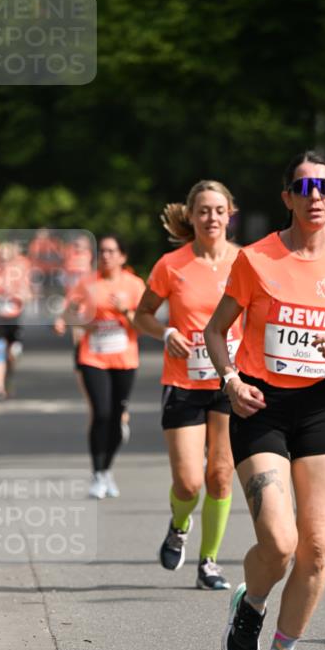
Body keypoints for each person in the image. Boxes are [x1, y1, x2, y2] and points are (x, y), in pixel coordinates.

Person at [204, 151, 325, 650]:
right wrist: (230, 380)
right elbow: (215, 332)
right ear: (288, 197)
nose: (315, 195)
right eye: (304, 186)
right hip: (261, 407)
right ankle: (250, 602)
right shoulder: (256, 260)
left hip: (320, 408)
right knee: (279, 543)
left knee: (318, 546)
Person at [134, 181, 241, 591]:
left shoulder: (246, 261)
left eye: (219, 210)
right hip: (184, 381)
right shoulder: (171, 265)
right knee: (188, 482)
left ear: (230, 213)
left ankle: (209, 562)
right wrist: (164, 333)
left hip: (229, 379)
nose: (211, 218)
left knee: (220, 476)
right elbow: (141, 314)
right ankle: (179, 525)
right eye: (203, 211)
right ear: (192, 216)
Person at [63, 235, 143, 498]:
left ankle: (107, 469)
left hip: (124, 359)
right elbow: (70, 311)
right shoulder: (87, 283)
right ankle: (97, 473)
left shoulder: (134, 285)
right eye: (102, 251)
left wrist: (124, 312)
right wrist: (79, 322)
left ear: (122, 256)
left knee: (116, 418)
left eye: (111, 251)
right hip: (93, 357)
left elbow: (142, 325)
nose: (106, 255)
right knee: (101, 412)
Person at [0, 240, 32, 400]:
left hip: (14, 319)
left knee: (13, 353)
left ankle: (7, 376)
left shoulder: (19, 273)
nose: (3, 260)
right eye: (1, 257)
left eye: (6, 257)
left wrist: (19, 295)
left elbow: (29, 295)